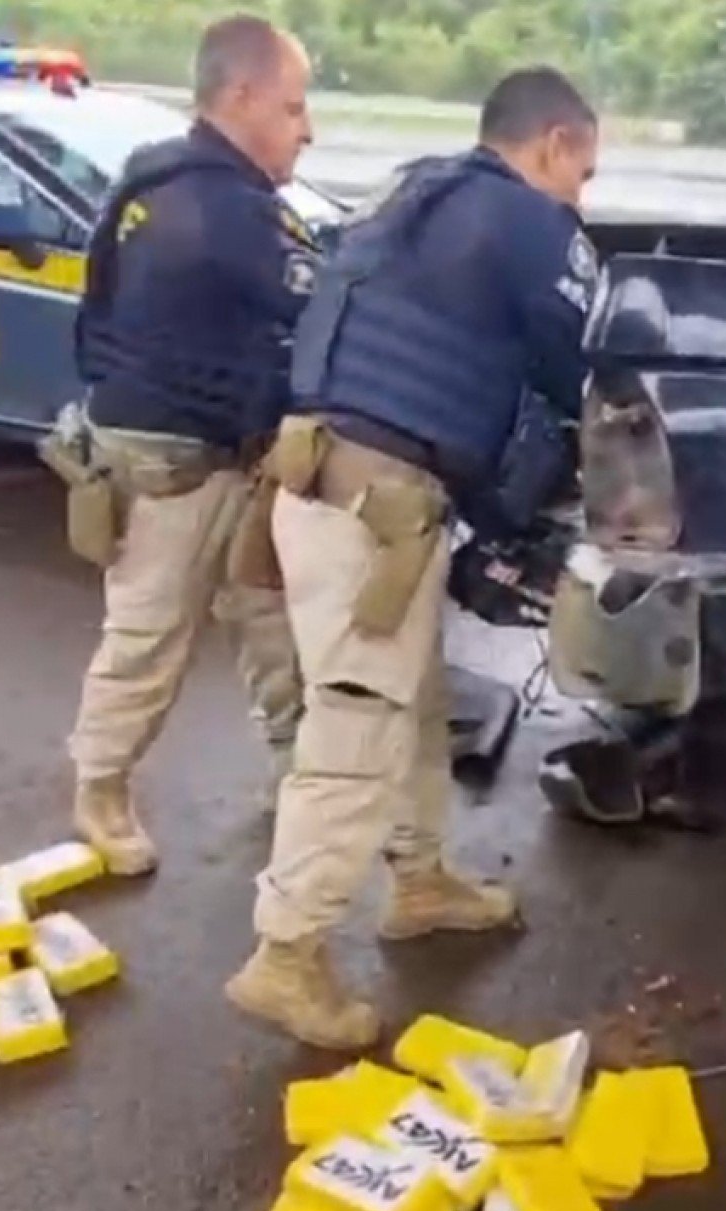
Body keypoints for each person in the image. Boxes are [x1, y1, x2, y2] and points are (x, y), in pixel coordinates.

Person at [224, 67, 601, 1049]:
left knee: (414, 698)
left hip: (321, 481)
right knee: (358, 720)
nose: (582, 195)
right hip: (373, 504)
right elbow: (584, 362)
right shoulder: (533, 224)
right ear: (553, 144)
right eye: (584, 172)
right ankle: (287, 956)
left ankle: (421, 877)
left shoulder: (415, 187)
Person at [55, 14, 318, 875]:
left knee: (270, 621)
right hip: (177, 461)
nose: (306, 129)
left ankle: (298, 773)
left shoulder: (151, 177)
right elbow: (317, 312)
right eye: (293, 107)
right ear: (239, 98)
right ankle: (100, 788)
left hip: (220, 447)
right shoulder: (218, 209)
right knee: (150, 633)